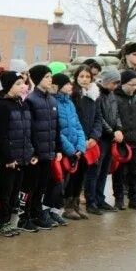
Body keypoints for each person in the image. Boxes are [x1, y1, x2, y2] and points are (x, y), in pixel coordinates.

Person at [0, 71, 33, 236]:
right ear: (8, 86)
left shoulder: (22, 104)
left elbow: (27, 131)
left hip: (23, 156)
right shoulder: (3, 106)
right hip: (9, 158)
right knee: (5, 193)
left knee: (15, 192)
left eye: (23, 83)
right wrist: (8, 157)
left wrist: (30, 152)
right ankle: (1, 223)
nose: (23, 86)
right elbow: (1, 135)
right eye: (17, 84)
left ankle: (8, 221)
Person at [22, 65, 61, 230]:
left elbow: (56, 126)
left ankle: (37, 213)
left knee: (42, 186)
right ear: (37, 79)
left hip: (49, 151)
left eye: (51, 76)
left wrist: (57, 148)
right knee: (30, 186)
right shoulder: (31, 100)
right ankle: (25, 217)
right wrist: (33, 150)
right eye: (46, 77)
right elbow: (28, 128)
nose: (50, 80)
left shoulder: (52, 99)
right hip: (36, 153)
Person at [112, 71, 136, 211]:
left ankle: (134, 199)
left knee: (135, 172)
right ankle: (119, 199)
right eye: (130, 84)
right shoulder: (115, 98)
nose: (133, 87)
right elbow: (114, 118)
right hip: (121, 142)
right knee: (119, 173)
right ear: (122, 84)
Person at [69, 65, 101, 217]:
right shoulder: (73, 95)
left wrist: (94, 137)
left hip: (89, 141)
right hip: (76, 141)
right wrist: (80, 139)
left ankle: (75, 204)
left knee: (82, 174)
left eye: (87, 77)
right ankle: (68, 206)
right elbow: (72, 121)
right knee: (72, 175)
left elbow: (98, 118)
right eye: (81, 76)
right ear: (76, 78)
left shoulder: (94, 96)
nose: (84, 79)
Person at [53, 73, 85, 221]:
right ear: (59, 86)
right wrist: (70, 149)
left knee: (74, 178)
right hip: (65, 149)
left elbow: (78, 126)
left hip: (74, 149)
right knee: (61, 181)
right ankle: (62, 208)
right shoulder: (54, 102)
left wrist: (80, 146)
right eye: (67, 84)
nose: (70, 86)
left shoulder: (70, 103)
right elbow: (57, 130)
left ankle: (73, 205)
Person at [92, 67, 124, 212]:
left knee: (105, 170)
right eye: (114, 83)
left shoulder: (112, 95)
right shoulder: (97, 94)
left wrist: (118, 128)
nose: (115, 86)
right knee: (96, 171)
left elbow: (116, 114)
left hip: (110, 137)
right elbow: (100, 117)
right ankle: (92, 200)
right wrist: (111, 132)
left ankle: (100, 198)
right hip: (101, 138)